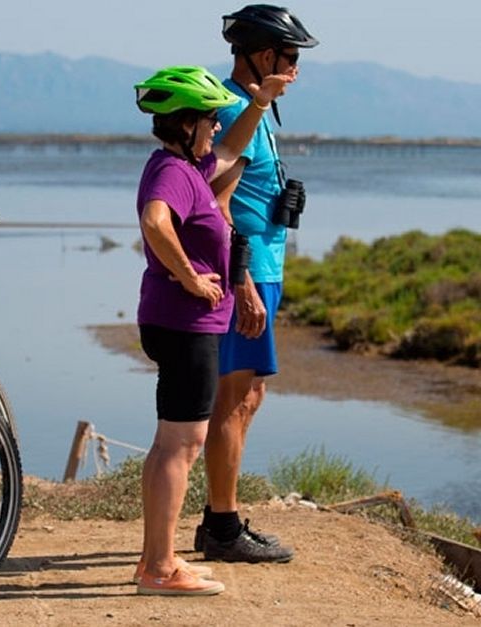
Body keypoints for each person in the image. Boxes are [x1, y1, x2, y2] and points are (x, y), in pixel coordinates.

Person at [132, 65, 294, 595]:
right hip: (184, 322)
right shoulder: (173, 174)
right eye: (208, 120)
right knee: (181, 444)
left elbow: (230, 150)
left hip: (180, 322)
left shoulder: (190, 166)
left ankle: (158, 559)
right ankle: (159, 567)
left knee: (171, 444)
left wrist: (260, 104)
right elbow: (156, 221)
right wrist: (190, 276)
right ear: (186, 124)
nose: (215, 128)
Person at [195, 4, 319, 564]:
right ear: (264, 55)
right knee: (233, 396)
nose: (296, 69)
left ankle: (221, 517)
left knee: (248, 394)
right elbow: (216, 200)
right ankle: (222, 528)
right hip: (249, 273)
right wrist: (240, 277)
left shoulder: (256, 110)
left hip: (264, 268)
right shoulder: (240, 107)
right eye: (291, 57)